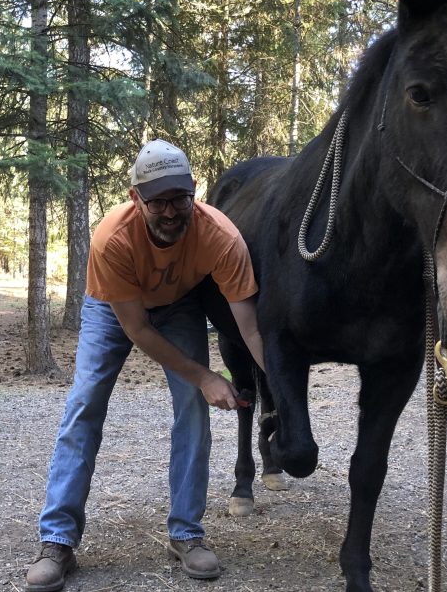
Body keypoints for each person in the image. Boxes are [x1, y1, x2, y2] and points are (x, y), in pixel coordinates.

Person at [26, 139, 267, 592]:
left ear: (194, 190)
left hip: (179, 307)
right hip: (114, 308)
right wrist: (203, 374)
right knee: (85, 404)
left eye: (180, 198)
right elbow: (136, 329)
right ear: (136, 199)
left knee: (193, 411)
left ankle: (186, 534)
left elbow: (251, 328)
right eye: (159, 201)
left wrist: (282, 391)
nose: (172, 211)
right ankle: (57, 540)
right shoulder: (112, 238)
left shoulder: (221, 235)